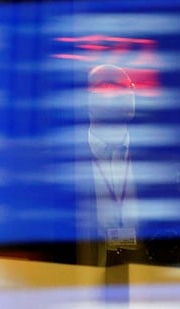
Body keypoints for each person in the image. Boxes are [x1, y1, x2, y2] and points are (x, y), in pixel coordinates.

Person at [77, 64, 146, 266]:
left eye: (128, 87)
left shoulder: (159, 164)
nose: (122, 95)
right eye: (108, 87)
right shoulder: (63, 167)